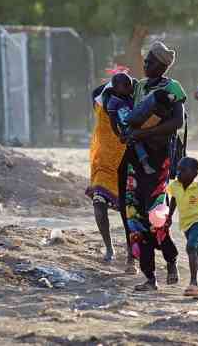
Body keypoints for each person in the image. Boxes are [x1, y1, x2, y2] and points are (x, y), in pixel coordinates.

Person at [123, 41, 187, 292]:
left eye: (150, 61)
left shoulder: (172, 88)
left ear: (162, 65)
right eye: (146, 61)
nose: (145, 64)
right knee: (134, 215)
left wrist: (144, 134)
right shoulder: (139, 87)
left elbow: (177, 122)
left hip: (159, 159)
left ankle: (170, 259)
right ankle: (150, 277)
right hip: (135, 159)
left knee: (156, 216)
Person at [87, 75, 136, 273]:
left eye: (129, 86)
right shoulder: (99, 98)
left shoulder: (132, 105)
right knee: (98, 203)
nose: (128, 89)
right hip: (103, 162)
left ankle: (132, 256)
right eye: (124, 85)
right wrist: (114, 80)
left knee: (127, 212)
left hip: (125, 162)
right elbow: (98, 90)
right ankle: (109, 248)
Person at [166, 157, 198, 296]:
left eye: (183, 170)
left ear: (194, 173)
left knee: (191, 246)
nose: (178, 172)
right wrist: (170, 216)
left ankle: (193, 283)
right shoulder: (175, 186)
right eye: (178, 169)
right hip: (185, 224)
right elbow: (174, 200)